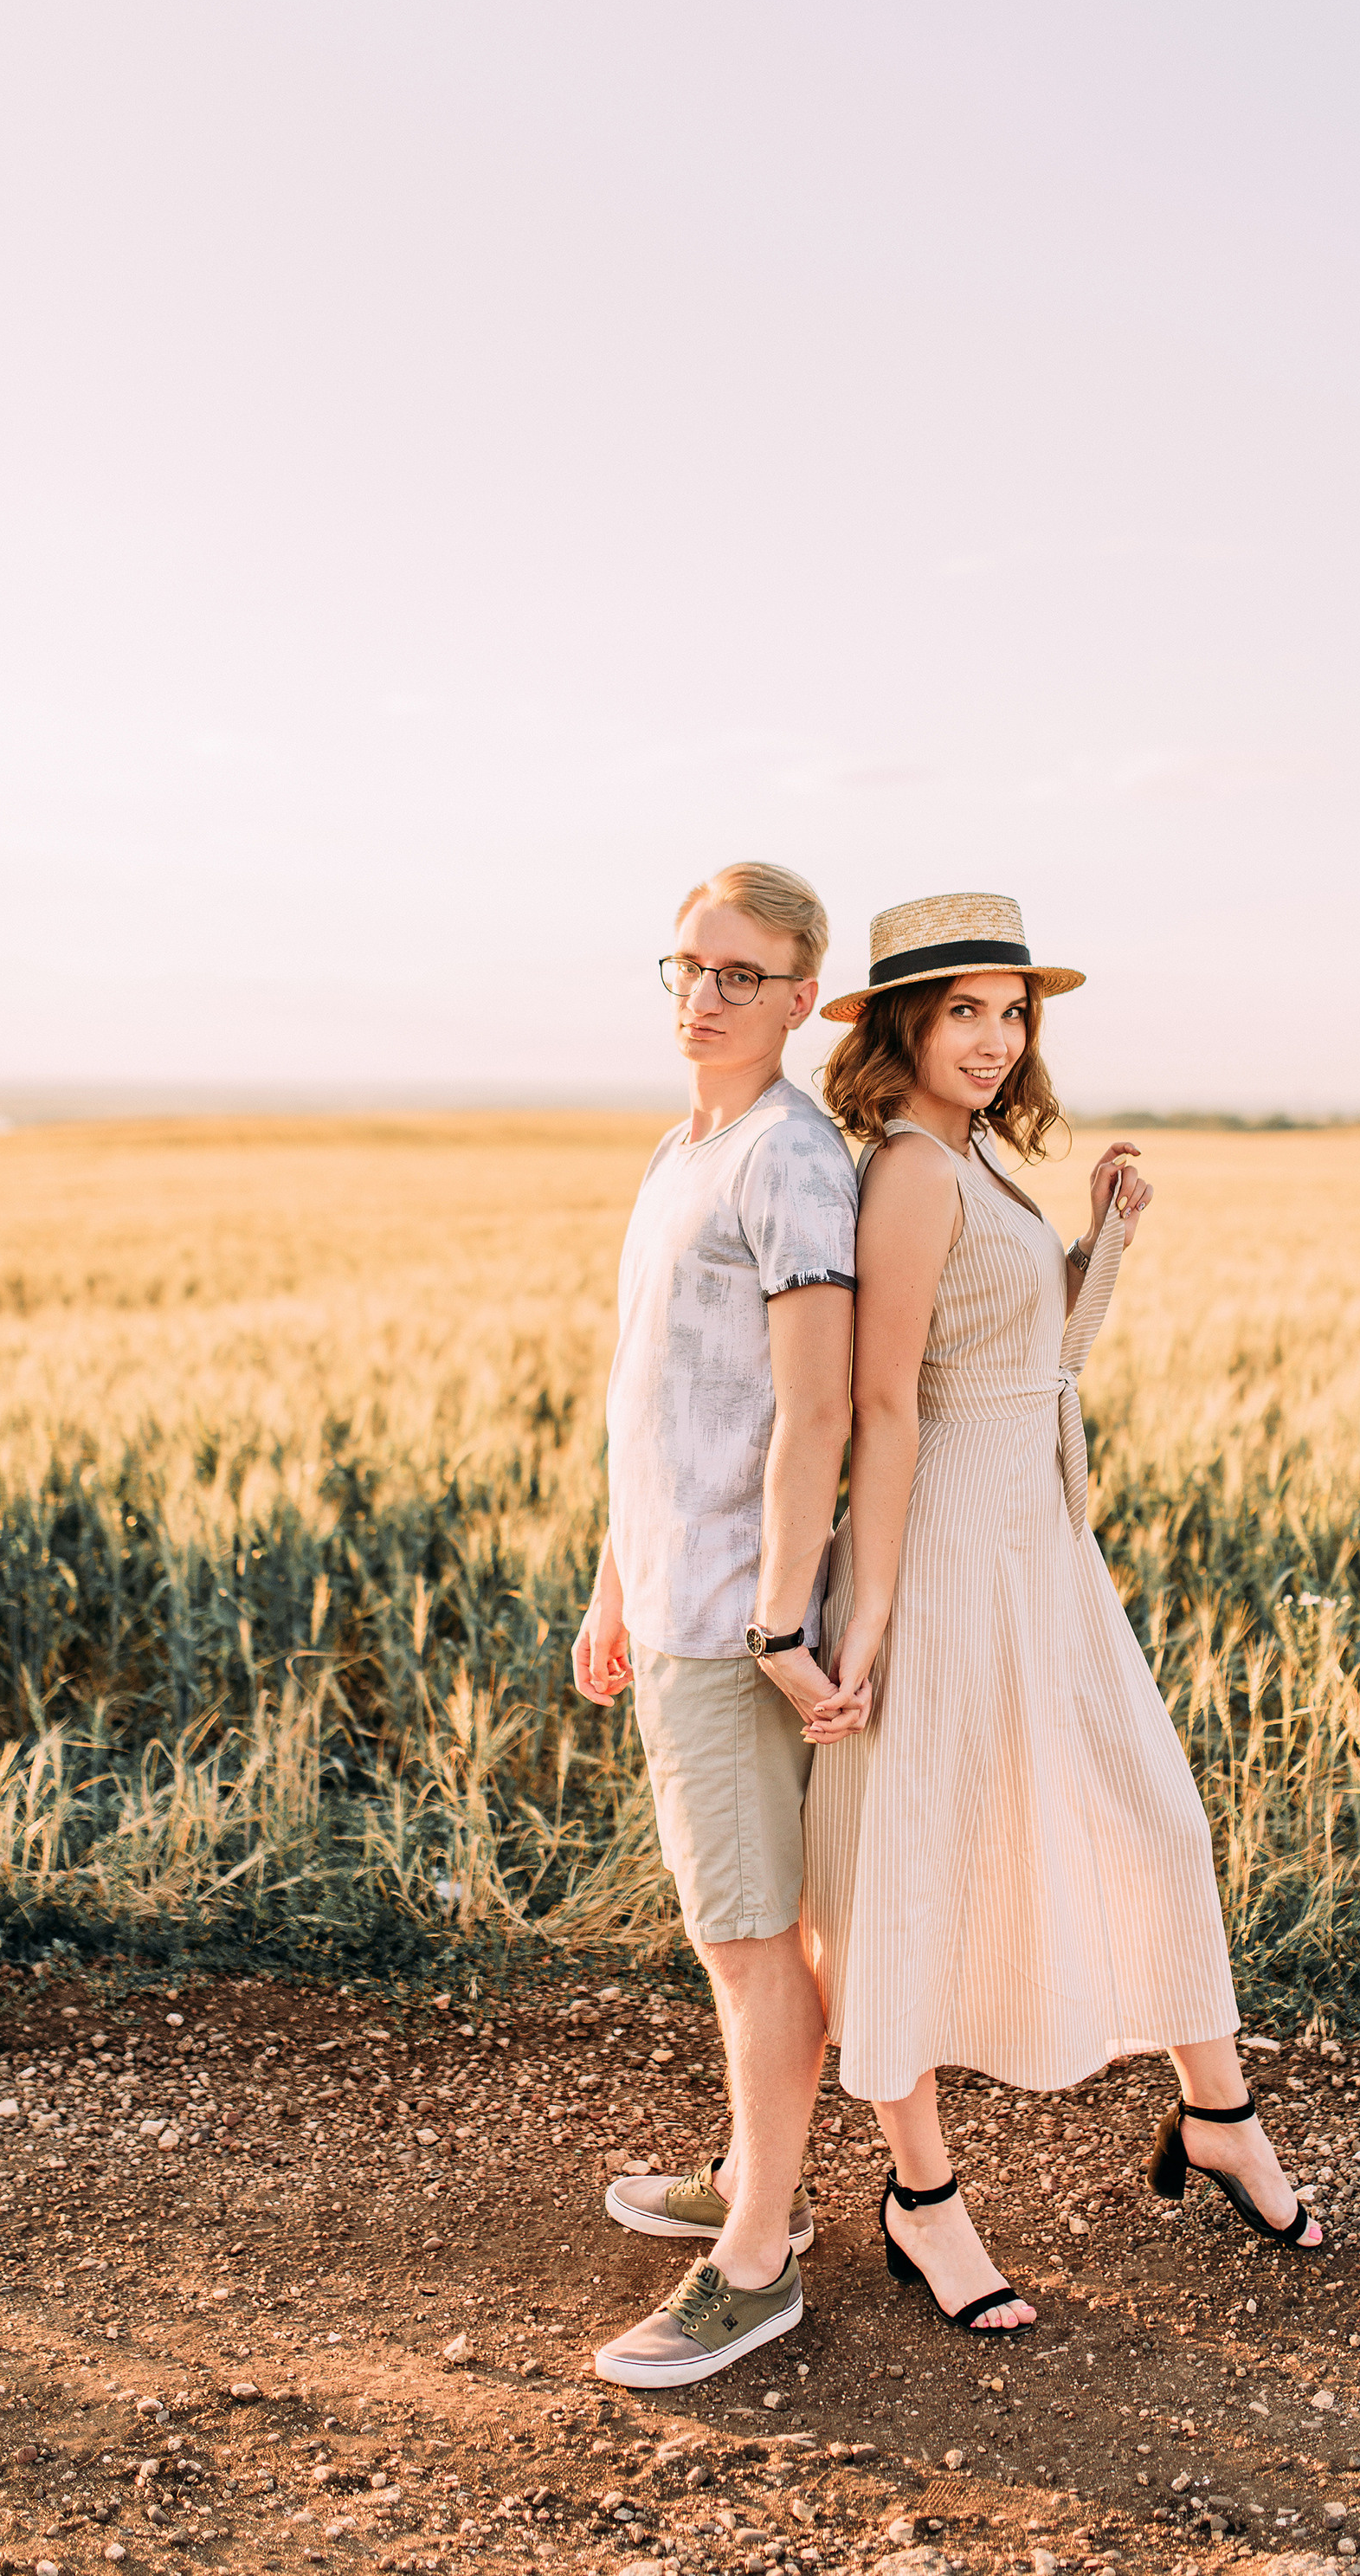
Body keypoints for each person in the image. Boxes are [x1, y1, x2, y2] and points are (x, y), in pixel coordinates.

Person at [801, 890, 1321, 2338]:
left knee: (1152, 1812)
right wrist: (879, 1603)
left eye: (1011, 1009)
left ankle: (1218, 2114)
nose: (993, 1036)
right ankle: (922, 2201)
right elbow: (890, 1398)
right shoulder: (908, 1168)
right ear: (901, 1023)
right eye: (962, 1007)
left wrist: (1102, 1243)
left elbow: (1028, 1361)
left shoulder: (977, 1161)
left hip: (1036, 1545)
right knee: (906, 1859)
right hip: (949, 1553)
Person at [572, 861, 866, 2390]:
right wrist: (615, 1575)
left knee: (750, 1934)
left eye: (739, 974)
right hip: (672, 1590)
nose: (702, 994)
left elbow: (815, 1406)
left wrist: (768, 1620)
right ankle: (768, 2175)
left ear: (801, 998)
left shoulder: (790, 1159)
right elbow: (660, 1394)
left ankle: (755, 2258)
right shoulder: (682, 1147)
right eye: (687, 965)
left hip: (739, 1614)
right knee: (735, 1921)